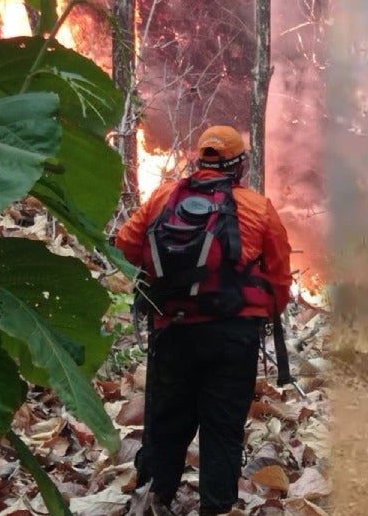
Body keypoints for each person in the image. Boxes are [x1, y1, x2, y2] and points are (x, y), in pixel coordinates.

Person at [114, 125, 294, 515]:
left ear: (199, 159)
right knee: (222, 428)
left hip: (172, 332)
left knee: (166, 426)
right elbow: (280, 277)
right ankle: (217, 507)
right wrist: (265, 311)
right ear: (239, 165)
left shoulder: (164, 197)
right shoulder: (258, 207)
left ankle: (151, 501)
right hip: (233, 335)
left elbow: (126, 245)